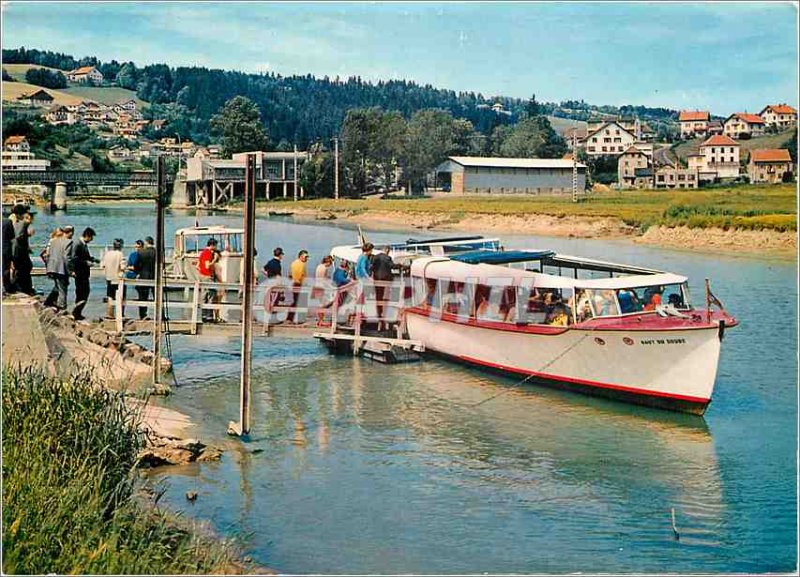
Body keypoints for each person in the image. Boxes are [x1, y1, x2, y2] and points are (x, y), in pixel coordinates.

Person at [70, 227, 98, 321]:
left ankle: (78, 312)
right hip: (80, 273)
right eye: (91, 238)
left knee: (84, 292)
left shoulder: (83, 244)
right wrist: (86, 263)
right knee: (82, 292)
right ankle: (76, 312)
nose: (92, 240)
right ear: (87, 236)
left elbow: (84, 256)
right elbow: (74, 258)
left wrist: (92, 259)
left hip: (84, 273)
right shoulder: (77, 244)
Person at [44, 225, 74, 311]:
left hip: (52, 267)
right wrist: (70, 271)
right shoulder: (69, 242)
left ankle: (48, 302)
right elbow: (67, 258)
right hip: (61, 268)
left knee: (58, 286)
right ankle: (62, 308)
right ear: (70, 232)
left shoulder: (53, 241)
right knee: (63, 289)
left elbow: (48, 254)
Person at [12, 209, 36, 295]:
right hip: (19, 252)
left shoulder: (20, 224)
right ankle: (21, 287)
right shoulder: (23, 224)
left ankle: (26, 287)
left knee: (26, 268)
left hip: (21, 252)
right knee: (24, 268)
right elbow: (19, 237)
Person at [2, 205, 26, 294]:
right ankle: (7, 287)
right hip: (5, 249)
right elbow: (12, 237)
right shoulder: (7, 222)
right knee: (5, 269)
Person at [370, 246, 394, 331]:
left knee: (378, 297)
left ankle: (379, 314)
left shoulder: (375, 257)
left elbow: (372, 267)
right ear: (387, 250)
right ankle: (383, 314)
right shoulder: (388, 258)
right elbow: (392, 266)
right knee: (385, 298)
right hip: (386, 280)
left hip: (377, 280)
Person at [101, 238, 126, 318]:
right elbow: (122, 267)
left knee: (110, 295)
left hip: (109, 277)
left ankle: (110, 313)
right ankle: (120, 314)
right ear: (121, 246)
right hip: (118, 278)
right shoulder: (120, 254)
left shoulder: (107, 253)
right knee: (121, 296)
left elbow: (102, 265)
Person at [198, 238, 220, 322]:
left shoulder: (202, 253)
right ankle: (209, 317)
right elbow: (208, 265)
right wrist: (214, 260)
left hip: (202, 276)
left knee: (204, 296)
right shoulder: (208, 253)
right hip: (208, 276)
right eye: (215, 245)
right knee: (211, 296)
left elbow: (198, 266)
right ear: (212, 245)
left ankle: (204, 316)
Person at [136, 236, 156, 320]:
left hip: (143, 275)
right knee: (157, 295)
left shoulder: (141, 252)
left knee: (143, 296)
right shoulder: (157, 252)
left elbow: (137, 265)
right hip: (154, 276)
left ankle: (143, 315)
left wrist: (139, 272)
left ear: (147, 242)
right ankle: (161, 315)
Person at [288, 249, 309, 323]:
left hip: (294, 283)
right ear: (301, 256)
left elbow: (290, 275)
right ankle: (298, 319)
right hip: (299, 284)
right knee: (301, 301)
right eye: (305, 257)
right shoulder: (301, 264)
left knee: (295, 301)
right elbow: (300, 276)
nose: (307, 258)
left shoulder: (293, 263)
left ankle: (290, 317)